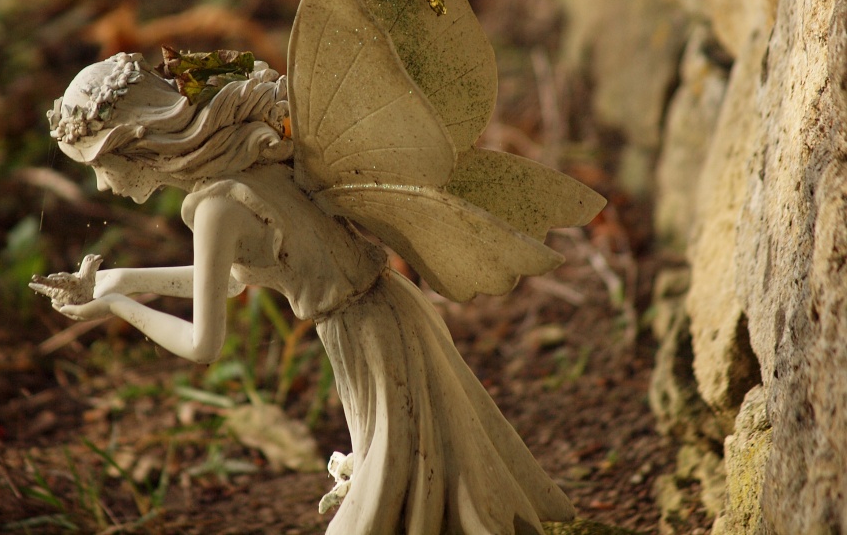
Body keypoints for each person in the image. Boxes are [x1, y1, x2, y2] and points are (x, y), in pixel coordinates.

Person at [33, 50, 576, 535]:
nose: (102, 184)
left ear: (136, 145)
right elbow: (230, 280)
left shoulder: (216, 207)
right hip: (389, 310)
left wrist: (116, 306)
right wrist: (123, 279)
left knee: (393, 492)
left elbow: (203, 345)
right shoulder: (253, 162)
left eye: (101, 166)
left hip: (365, 333)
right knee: (423, 476)